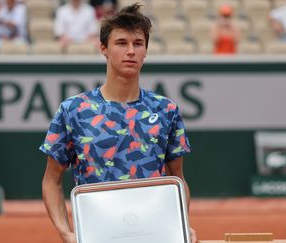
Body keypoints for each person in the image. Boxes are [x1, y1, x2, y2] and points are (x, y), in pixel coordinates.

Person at [40, 3, 197, 243]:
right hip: (97, 235)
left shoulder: (166, 110)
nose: (131, 51)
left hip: (154, 235)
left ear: (146, 51)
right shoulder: (73, 110)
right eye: (121, 43)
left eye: (138, 44)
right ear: (103, 48)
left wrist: (182, 224)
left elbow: (177, 179)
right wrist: (67, 233)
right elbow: (52, 180)